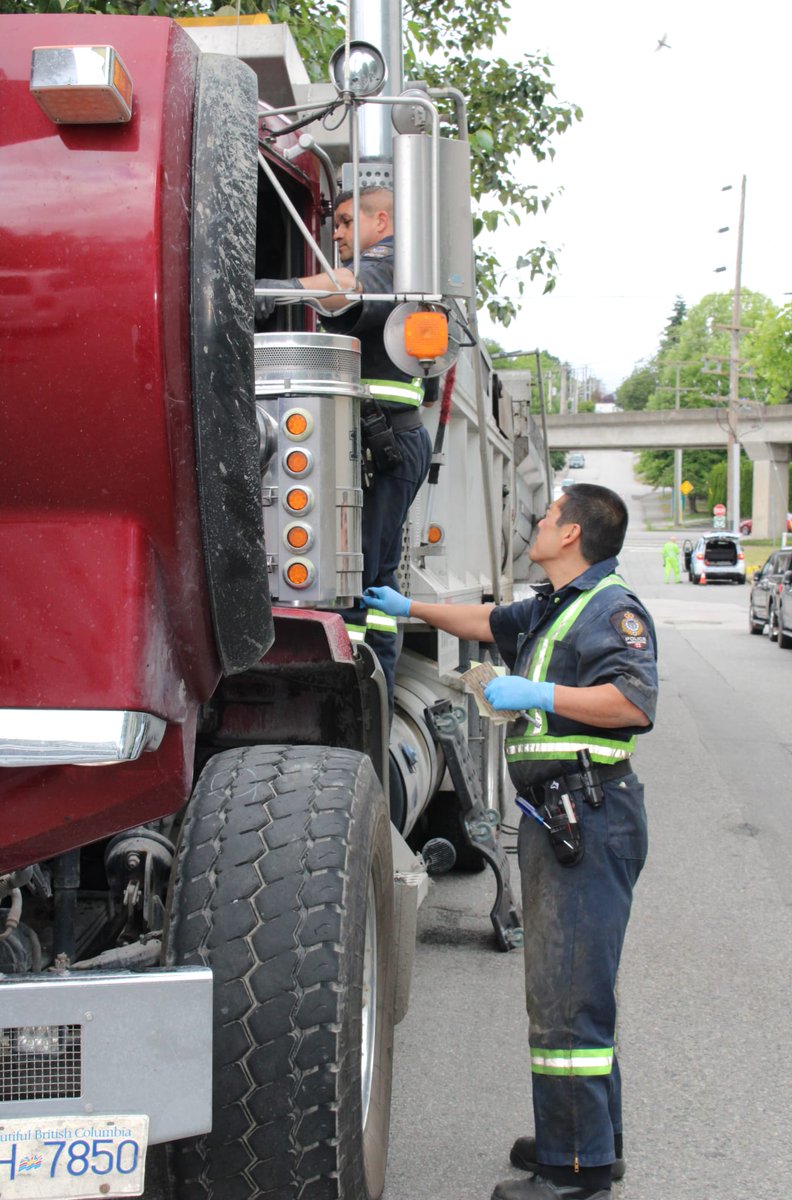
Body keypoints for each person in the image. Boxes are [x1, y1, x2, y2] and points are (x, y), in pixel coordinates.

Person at [362, 483, 658, 1200]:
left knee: (565, 994)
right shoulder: (558, 602)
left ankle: (574, 1172)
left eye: (549, 514)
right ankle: (593, 1143)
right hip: (563, 814)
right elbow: (487, 619)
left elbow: (633, 702)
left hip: (589, 815)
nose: (537, 519)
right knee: (577, 987)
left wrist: (539, 697)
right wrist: (409, 608)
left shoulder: (610, 610)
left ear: (573, 534)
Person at [255, 186, 433, 709]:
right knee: (366, 580)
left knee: (356, 582)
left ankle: (356, 698)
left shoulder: (393, 257)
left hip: (384, 443)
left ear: (383, 221)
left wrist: (271, 289)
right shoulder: (400, 261)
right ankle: (365, 689)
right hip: (384, 441)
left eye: (348, 222)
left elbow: (347, 288)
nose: (336, 233)